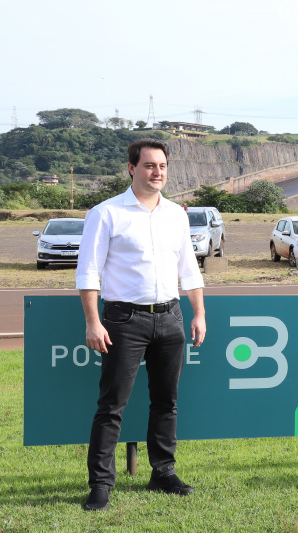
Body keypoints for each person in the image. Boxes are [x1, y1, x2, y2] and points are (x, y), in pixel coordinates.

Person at [76, 139, 206, 511]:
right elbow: (88, 273)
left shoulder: (176, 214)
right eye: (149, 165)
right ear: (131, 168)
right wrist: (92, 322)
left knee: (167, 402)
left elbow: (189, 270)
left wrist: (198, 313)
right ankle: (101, 484)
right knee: (112, 405)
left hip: (171, 317)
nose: (157, 172)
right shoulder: (106, 213)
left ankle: (162, 472)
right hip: (123, 320)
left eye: (162, 166)